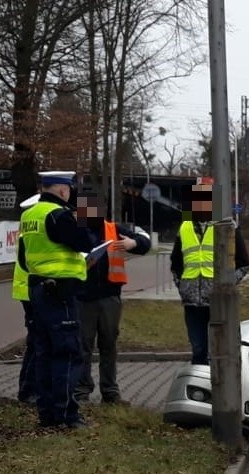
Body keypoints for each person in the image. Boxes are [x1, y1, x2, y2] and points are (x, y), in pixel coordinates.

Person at [18, 171, 95, 429]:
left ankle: (47, 414)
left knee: (44, 354)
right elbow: (85, 241)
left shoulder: (29, 215)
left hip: (38, 290)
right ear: (63, 190)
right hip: (59, 293)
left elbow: (22, 258)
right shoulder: (58, 215)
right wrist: (83, 217)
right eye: (70, 189)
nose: (71, 193)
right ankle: (66, 416)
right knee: (67, 354)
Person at [74, 192, 151, 404]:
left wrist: (132, 244)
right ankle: (81, 391)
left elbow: (145, 241)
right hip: (83, 297)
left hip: (109, 297)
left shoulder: (113, 229)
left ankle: (110, 392)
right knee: (83, 346)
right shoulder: (75, 231)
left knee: (108, 345)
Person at [170, 182, 249, 365]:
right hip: (192, 302)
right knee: (198, 350)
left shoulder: (227, 227)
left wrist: (227, 285)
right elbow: (176, 264)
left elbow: (243, 264)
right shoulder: (185, 227)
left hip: (218, 300)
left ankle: (220, 389)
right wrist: (182, 286)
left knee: (219, 350)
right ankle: (200, 390)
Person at [11, 193, 41, 405]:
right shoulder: (31, 234)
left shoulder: (26, 231)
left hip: (28, 291)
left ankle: (29, 389)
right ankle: (28, 390)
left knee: (37, 341)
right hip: (32, 292)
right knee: (37, 342)